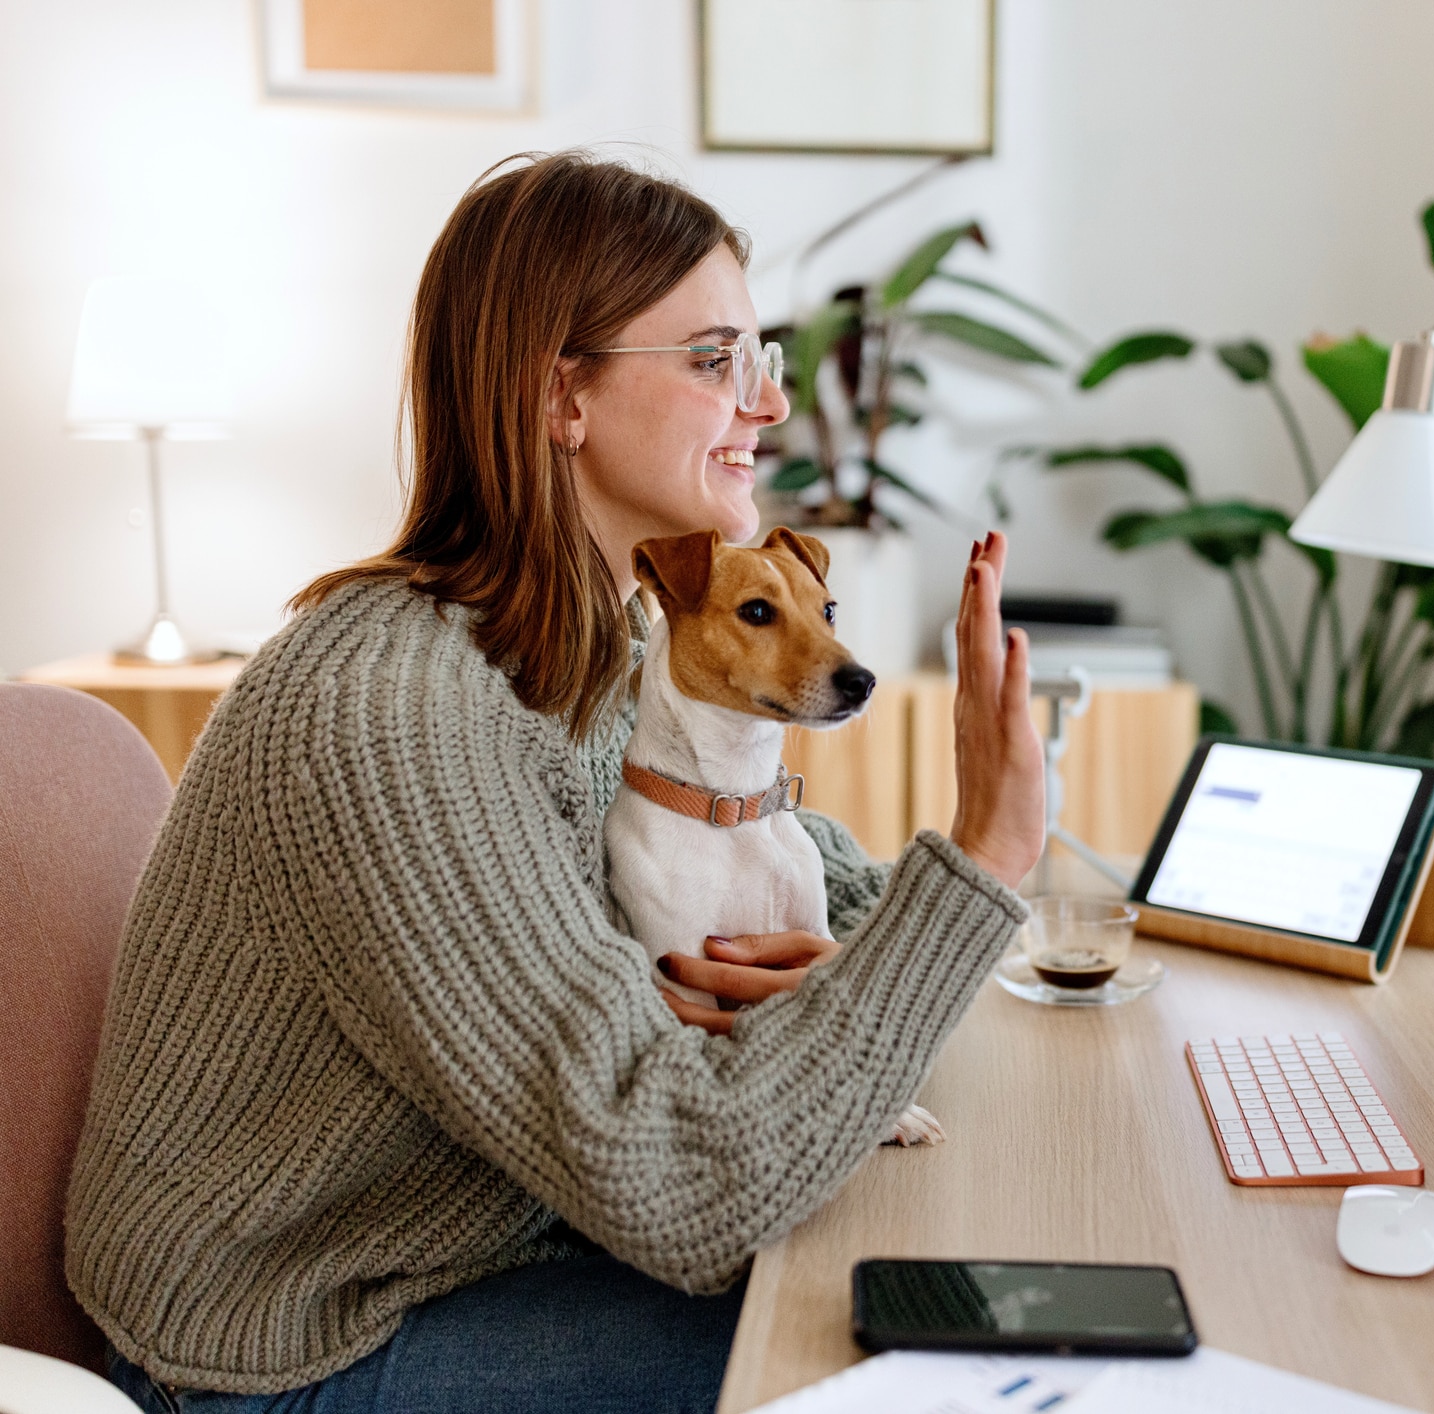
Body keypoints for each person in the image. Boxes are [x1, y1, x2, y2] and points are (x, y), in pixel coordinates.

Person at [67, 151, 1045, 1414]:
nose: (764, 406)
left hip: (492, 1250)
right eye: (711, 360)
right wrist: (985, 855)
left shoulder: (604, 647)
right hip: (290, 1346)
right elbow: (683, 1182)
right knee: (913, 1358)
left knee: (946, 1276)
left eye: (761, 359)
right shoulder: (396, 717)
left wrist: (845, 957)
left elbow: (830, 886)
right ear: (558, 396)